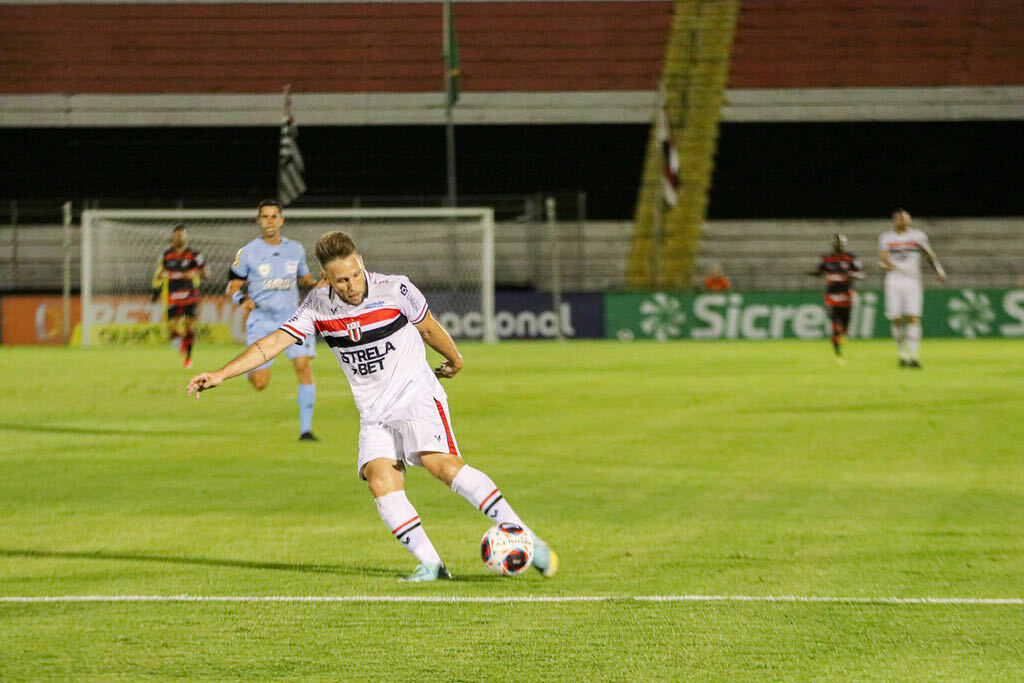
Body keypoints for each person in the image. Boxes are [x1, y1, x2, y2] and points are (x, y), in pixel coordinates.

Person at [188, 230, 559, 582]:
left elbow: (428, 327)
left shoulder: (394, 288)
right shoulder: (317, 306)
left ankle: (530, 540)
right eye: (341, 281)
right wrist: (223, 373)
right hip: (374, 411)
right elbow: (272, 343)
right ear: (326, 278)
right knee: (380, 479)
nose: (351, 286)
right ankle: (431, 565)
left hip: (415, 394)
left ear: (361, 262)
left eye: (354, 275)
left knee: (440, 465)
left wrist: (455, 359)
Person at [227, 199, 319, 440]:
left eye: (274, 216)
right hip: (262, 322)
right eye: (265, 217)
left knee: (304, 367)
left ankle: (306, 430)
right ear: (259, 221)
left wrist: (319, 283)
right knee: (260, 383)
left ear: (281, 220)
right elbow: (232, 285)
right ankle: (252, 367)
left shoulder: (296, 249)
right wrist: (241, 300)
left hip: (293, 320)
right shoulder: (247, 252)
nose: (270, 221)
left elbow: (304, 278)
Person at [878, 209, 946, 368]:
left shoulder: (918, 236)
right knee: (896, 318)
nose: (901, 221)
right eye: (898, 218)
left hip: (912, 280)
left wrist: (939, 270)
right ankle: (902, 355)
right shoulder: (886, 237)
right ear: (894, 220)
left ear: (909, 220)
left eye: (904, 218)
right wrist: (887, 265)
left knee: (914, 317)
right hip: (894, 280)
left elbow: (929, 255)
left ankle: (914, 356)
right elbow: (882, 259)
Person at [152, 224, 205, 368]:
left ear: (186, 237)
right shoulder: (166, 255)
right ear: (173, 237)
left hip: (190, 295)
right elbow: (159, 273)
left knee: (189, 326)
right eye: (177, 235)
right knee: (172, 328)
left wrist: (195, 273)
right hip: (173, 295)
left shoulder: (195, 255)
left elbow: (206, 273)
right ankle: (180, 341)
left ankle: (188, 358)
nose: (179, 237)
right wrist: (156, 287)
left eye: (182, 234)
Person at [808, 234, 863, 362]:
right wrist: (810, 272)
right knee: (835, 326)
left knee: (844, 328)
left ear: (845, 244)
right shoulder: (827, 259)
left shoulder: (851, 258)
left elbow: (861, 275)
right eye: (836, 242)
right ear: (832, 244)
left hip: (846, 296)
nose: (838, 245)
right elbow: (819, 271)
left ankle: (840, 339)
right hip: (832, 296)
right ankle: (838, 355)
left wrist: (851, 275)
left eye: (841, 242)